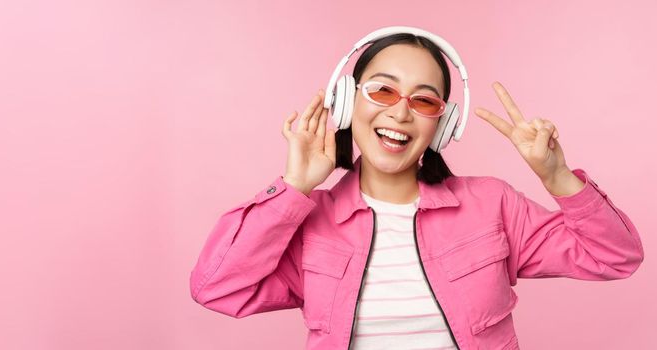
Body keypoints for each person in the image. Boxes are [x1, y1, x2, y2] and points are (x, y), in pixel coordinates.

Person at [189, 31, 644, 350]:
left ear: (442, 125)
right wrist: (295, 188)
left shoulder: (493, 204)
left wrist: (556, 175)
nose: (401, 113)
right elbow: (217, 288)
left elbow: (615, 256)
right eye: (382, 91)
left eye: (424, 100)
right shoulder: (311, 223)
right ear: (347, 102)